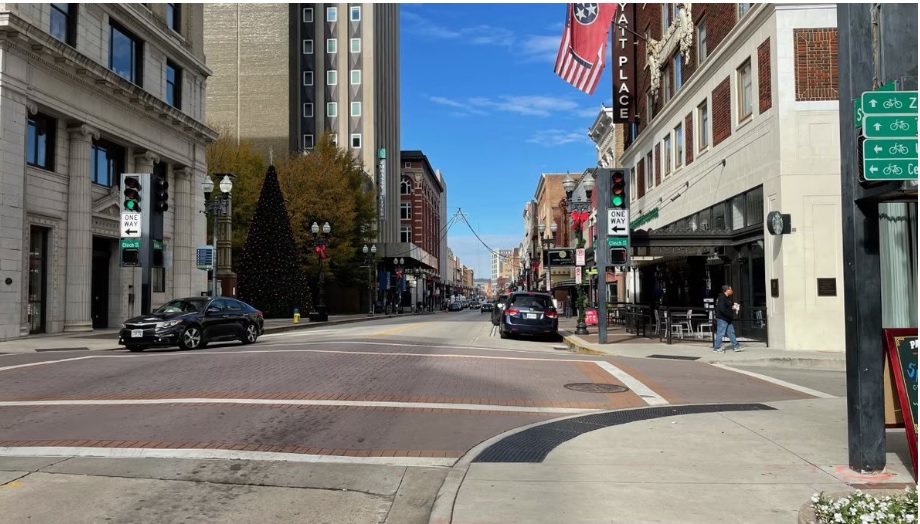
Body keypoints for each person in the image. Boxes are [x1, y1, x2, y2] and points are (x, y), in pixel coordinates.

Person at [714, 285, 744, 353]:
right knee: (720, 333)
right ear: (727, 290)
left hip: (727, 319)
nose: (731, 290)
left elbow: (726, 307)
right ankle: (717, 348)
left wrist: (732, 307)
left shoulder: (726, 298)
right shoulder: (722, 298)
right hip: (723, 319)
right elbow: (722, 309)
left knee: (731, 332)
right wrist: (731, 309)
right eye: (730, 289)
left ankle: (736, 346)